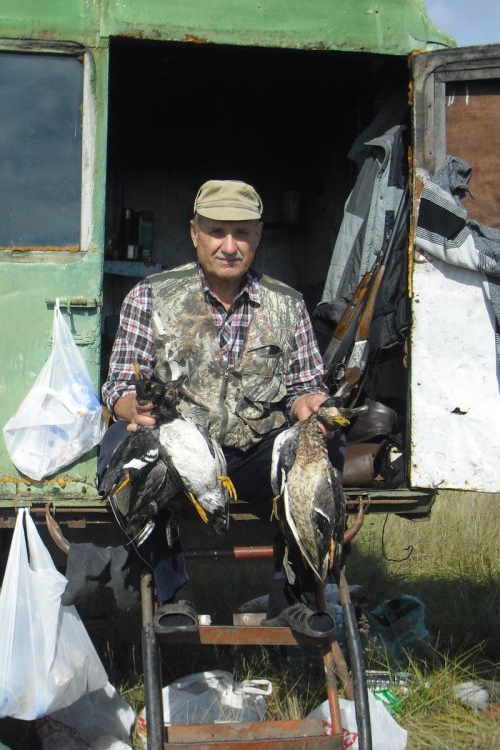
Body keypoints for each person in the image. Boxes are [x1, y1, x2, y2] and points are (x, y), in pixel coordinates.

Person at [99, 179, 344, 637]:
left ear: (258, 235)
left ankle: (294, 592)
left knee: (320, 446)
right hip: (183, 450)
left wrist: (310, 405)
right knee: (123, 450)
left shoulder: (287, 306)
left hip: (255, 452)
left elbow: (303, 388)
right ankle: (175, 594)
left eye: (242, 233)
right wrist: (133, 407)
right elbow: (115, 386)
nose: (229, 246)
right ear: (195, 233)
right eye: (217, 232)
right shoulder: (149, 297)